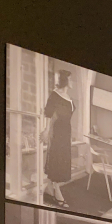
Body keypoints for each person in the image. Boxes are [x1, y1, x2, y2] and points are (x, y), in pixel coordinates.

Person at [41, 69, 73, 208]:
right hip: (57, 132)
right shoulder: (55, 95)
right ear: (66, 80)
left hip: (66, 133)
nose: (73, 82)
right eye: (71, 79)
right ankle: (57, 192)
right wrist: (46, 131)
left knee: (62, 160)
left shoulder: (69, 98)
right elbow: (48, 114)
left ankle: (49, 189)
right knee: (57, 160)